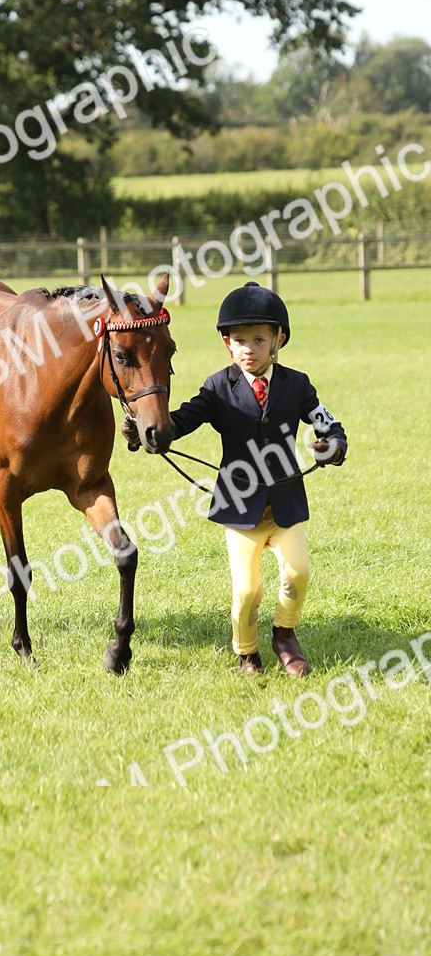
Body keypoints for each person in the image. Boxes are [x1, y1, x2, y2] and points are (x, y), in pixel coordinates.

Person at [123, 282, 347, 676]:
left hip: (285, 504)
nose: (249, 348)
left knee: (298, 572)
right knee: (247, 590)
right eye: (239, 340)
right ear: (227, 344)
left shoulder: (297, 384)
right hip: (239, 508)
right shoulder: (217, 387)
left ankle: (284, 635)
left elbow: (328, 424)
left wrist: (334, 445)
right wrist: (147, 432)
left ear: (278, 340)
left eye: (259, 340)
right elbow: (181, 420)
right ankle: (247, 652)